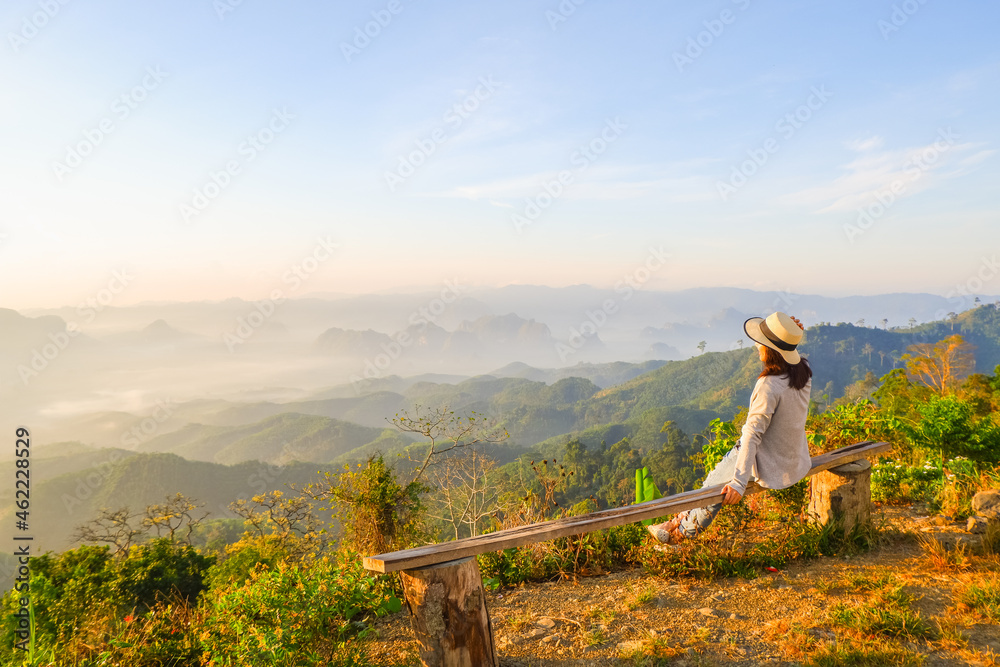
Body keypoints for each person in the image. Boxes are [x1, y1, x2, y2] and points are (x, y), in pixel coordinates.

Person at [648, 311, 812, 544]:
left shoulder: (769, 385)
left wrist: (738, 481)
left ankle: (678, 539)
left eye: (761, 343)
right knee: (712, 479)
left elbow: (753, 435)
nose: (757, 347)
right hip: (793, 457)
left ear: (771, 350)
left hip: (769, 460)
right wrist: (790, 334)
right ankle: (674, 524)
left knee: (712, 491)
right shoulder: (802, 371)